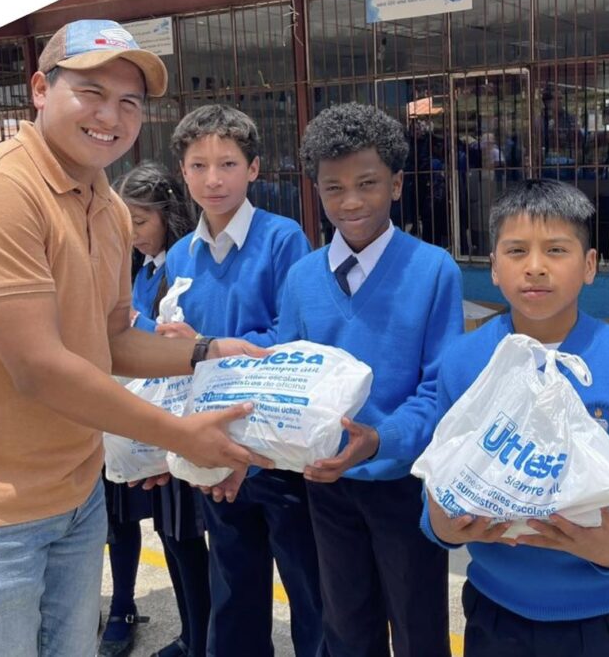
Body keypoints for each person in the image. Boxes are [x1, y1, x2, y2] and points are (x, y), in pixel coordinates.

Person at [0, 20, 273, 657]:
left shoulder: (108, 206)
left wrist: (206, 352)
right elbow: (39, 367)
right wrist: (180, 435)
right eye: (91, 93)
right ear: (40, 89)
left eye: (129, 102)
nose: (111, 117)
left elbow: (112, 338)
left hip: (73, 494)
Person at [422, 179, 609, 657]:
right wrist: (439, 527)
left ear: (589, 265)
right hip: (493, 612)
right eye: (516, 251)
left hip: (600, 619)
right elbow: (440, 473)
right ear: (493, 267)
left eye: (556, 250)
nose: (535, 267)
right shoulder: (463, 363)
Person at [277, 103, 463, 657]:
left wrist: (380, 439)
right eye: (333, 188)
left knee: (417, 626)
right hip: (326, 485)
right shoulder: (301, 278)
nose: (351, 202)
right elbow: (287, 379)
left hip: (405, 482)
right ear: (316, 190)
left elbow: (439, 390)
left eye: (367, 184)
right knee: (346, 624)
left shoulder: (433, 270)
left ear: (396, 184)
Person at [160, 104, 324, 657]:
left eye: (228, 164)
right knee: (233, 584)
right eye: (199, 165)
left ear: (253, 169)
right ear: (182, 172)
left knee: (308, 586)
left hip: (275, 448)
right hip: (214, 443)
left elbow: (290, 339)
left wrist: (205, 345)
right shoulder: (180, 255)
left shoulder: (283, 239)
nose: (213, 179)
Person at [115, 162, 210, 657]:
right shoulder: (146, 268)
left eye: (140, 221)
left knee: (187, 539)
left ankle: (201, 638)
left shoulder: (182, 264)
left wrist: (139, 326)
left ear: (167, 215)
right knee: (171, 537)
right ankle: (191, 633)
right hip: (153, 423)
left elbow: (178, 340)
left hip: (178, 416)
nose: (132, 233)